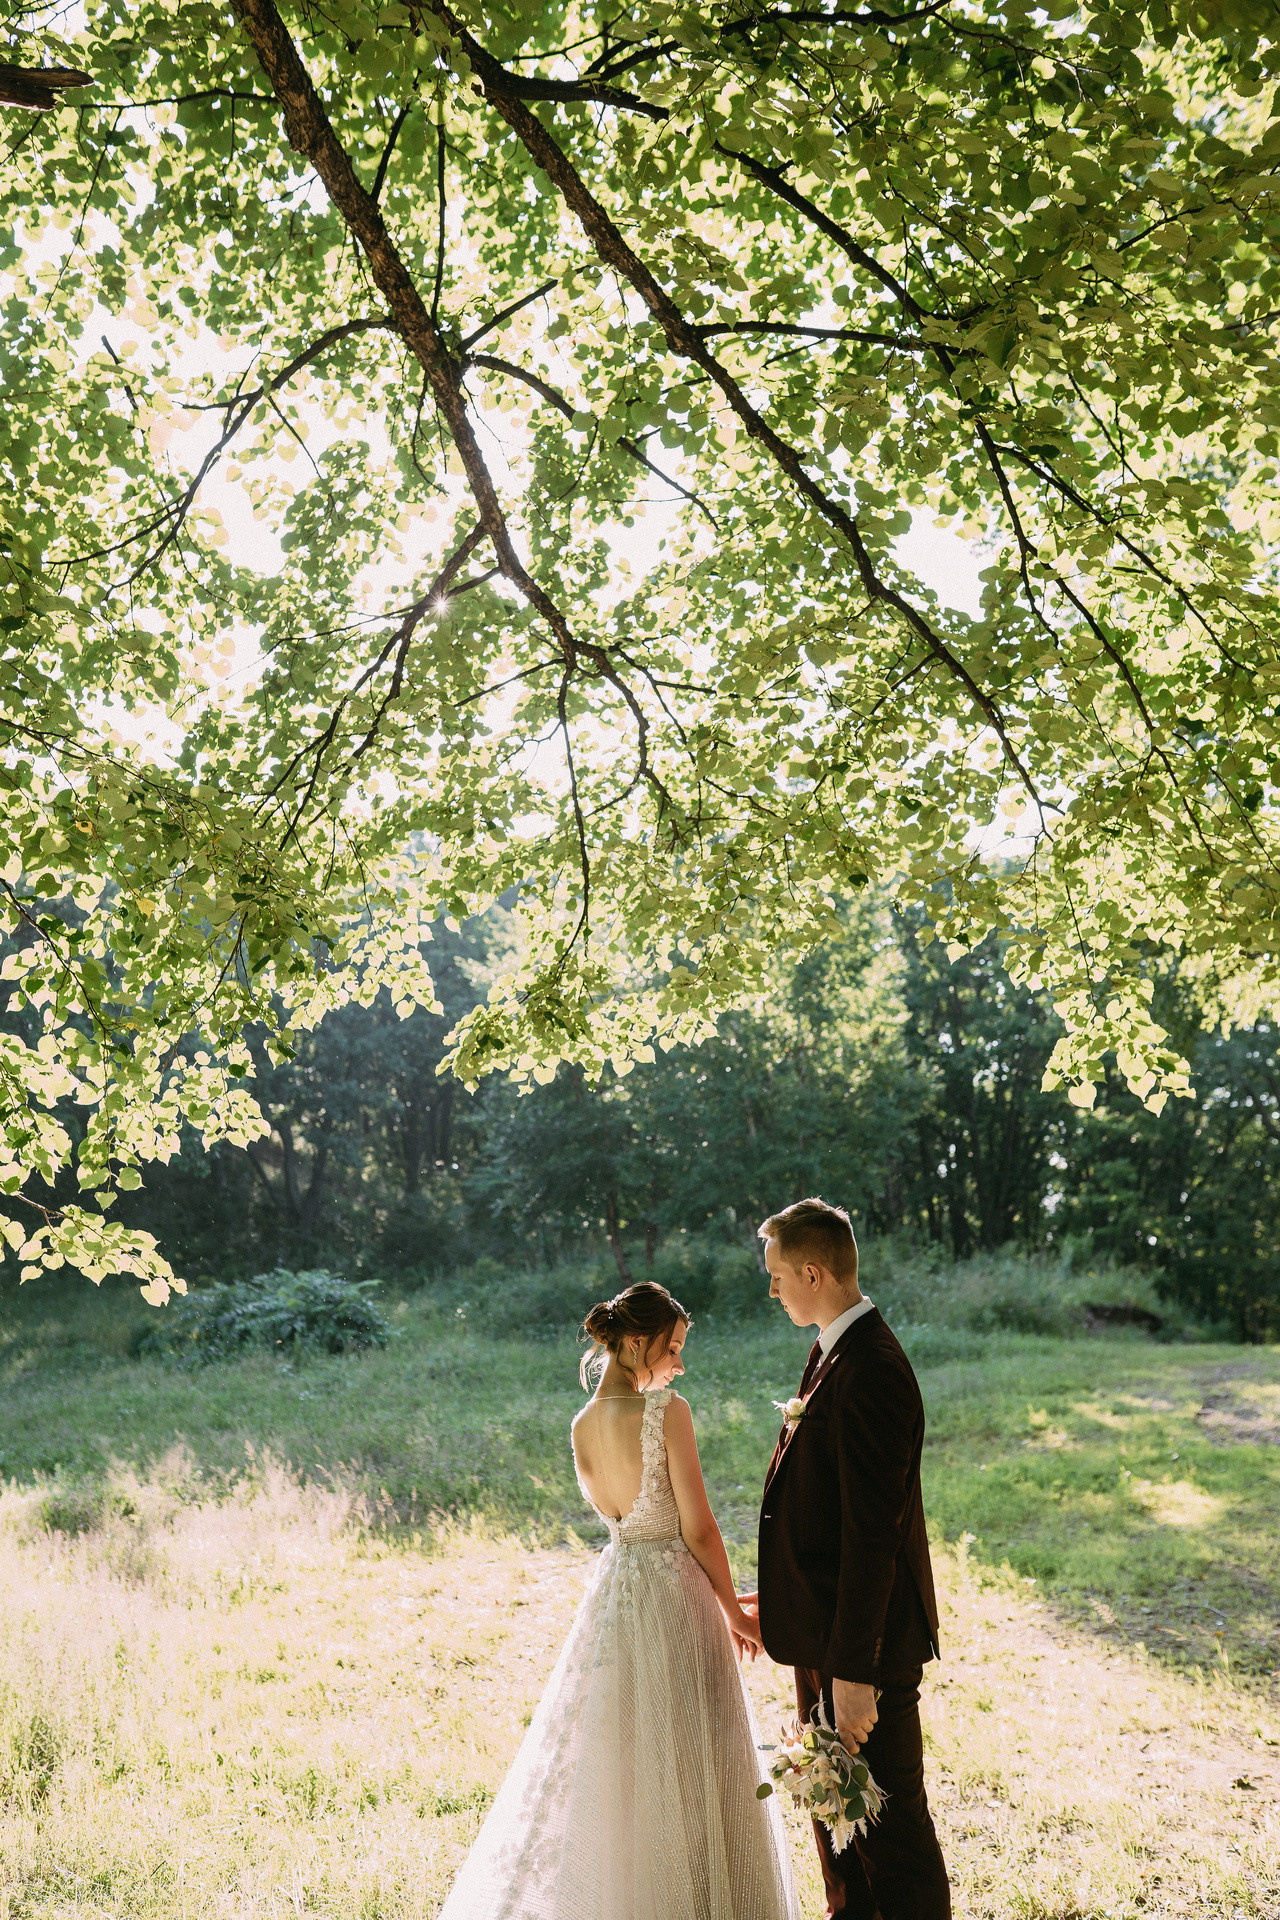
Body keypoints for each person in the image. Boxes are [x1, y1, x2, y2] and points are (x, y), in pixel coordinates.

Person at [437, 1280, 798, 1920]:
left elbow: (622, 1519)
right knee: (694, 1764)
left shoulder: (581, 1426)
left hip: (616, 1600)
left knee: (626, 1769)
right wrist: (734, 1611)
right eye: (674, 1347)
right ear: (637, 1342)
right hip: (674, 1600)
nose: (680, 1364)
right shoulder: (667, 1412)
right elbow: (698, 1527)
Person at [739, 1197, 950, 1920]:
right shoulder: (832, 1349)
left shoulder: (873, 1369)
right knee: (840, 1817)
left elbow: (873, 1535)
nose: (771, 1290)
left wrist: (854, 1673)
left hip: (864, 1646)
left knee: (890, 1834)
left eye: (776, 1277)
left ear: (812, 1270)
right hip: (825, 1633)